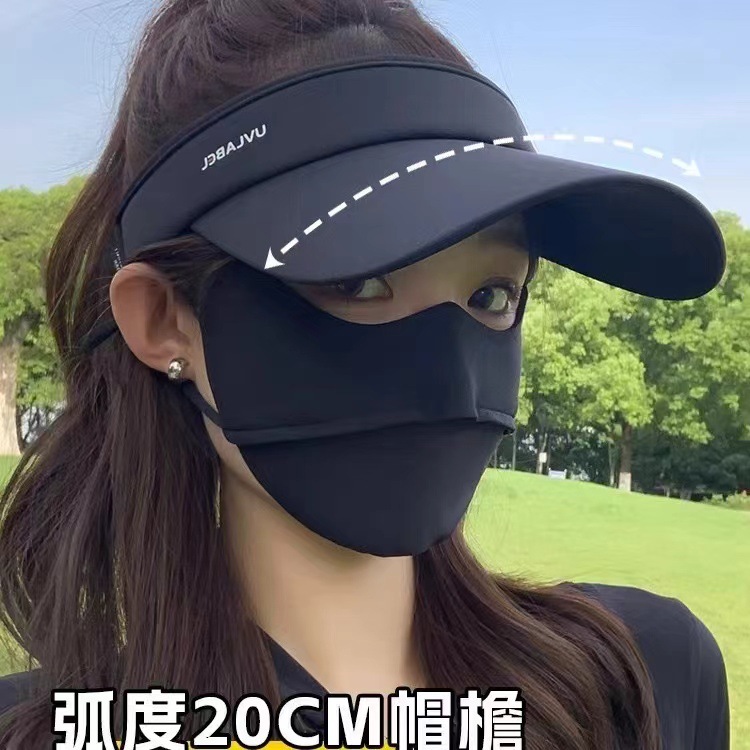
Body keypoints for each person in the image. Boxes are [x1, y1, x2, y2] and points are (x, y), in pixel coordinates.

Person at [0, 0, 730, 748]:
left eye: (490, 295)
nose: (451, 380)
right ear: (163, 319)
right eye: (359, 282)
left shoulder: (640, 682)